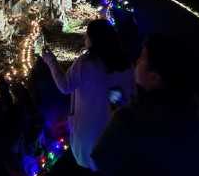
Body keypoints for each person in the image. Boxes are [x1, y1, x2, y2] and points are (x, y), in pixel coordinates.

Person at [91, 34, 199, 176]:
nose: (136, 61)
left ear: (155, 77)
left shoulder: (127, 119)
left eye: (142, 58)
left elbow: (101, 159)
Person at [42, 19, 134, 171]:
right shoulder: (126, 65)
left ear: (94, 39)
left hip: (88, 137)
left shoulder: (86, 63)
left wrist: (51, 61)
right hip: (114, 136)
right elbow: (125, 97)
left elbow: (65, 86)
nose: (85, 39)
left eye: (87, 36)